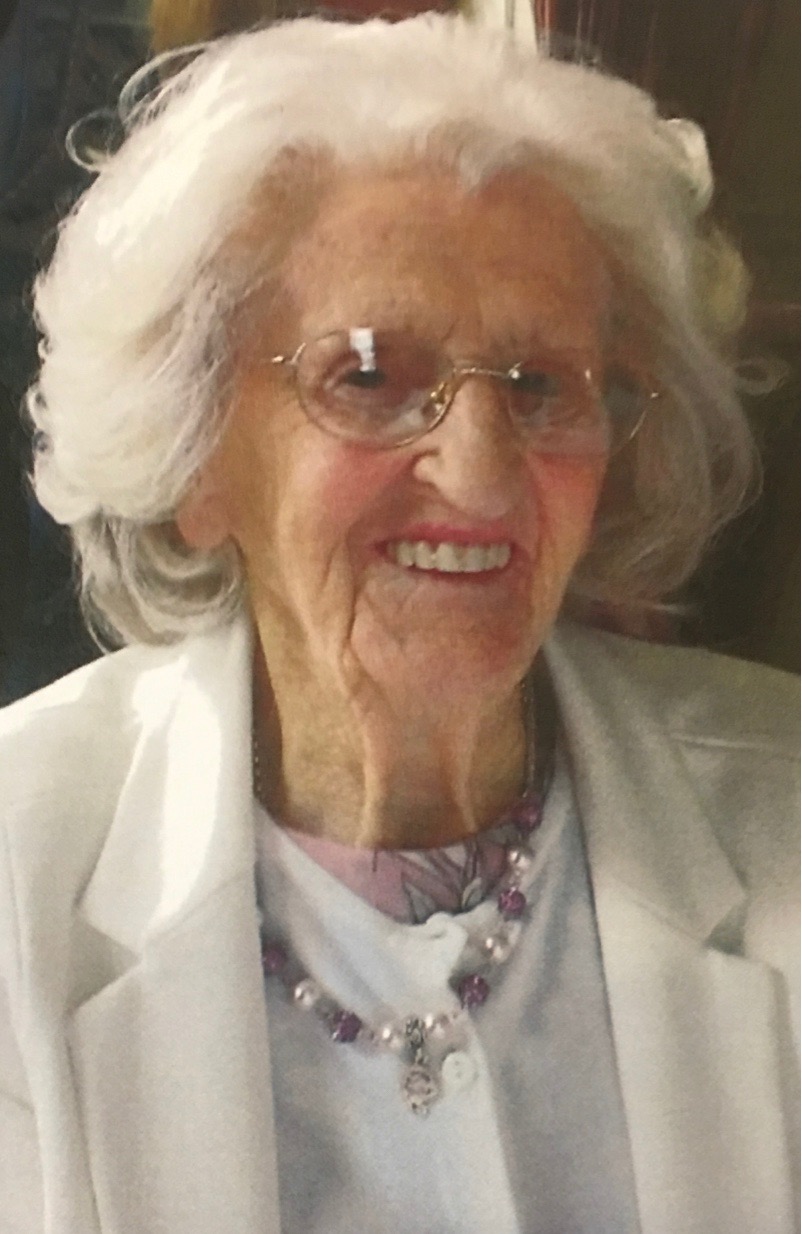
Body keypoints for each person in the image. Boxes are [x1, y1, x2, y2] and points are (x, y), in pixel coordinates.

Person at [0, 15, 797, 1234]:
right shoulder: (19, 875)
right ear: (194, 450)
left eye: (541, 385)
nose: (478, 475)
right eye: (368, 375)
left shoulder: (782, 804)